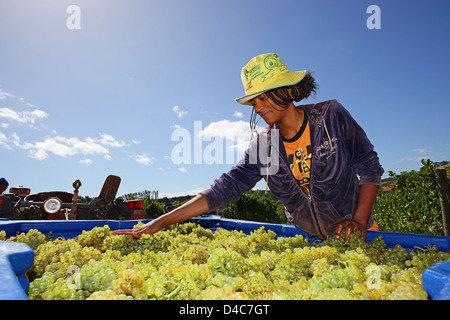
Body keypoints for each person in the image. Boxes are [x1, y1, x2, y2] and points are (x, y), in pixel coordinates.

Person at [113, 53, 384, 242]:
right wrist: (159, 222)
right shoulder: (263, 148)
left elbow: (369, 167)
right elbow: (223, 189)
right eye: (254, 101)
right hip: (312, 243)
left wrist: (358, 221)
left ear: (288, 91)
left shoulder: (330, 118)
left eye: (264, 96)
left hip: (360, 236)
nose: (259, 106)